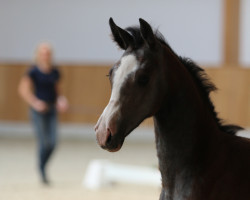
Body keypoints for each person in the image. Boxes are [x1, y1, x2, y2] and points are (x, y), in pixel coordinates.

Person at [18, 42, 68, 184]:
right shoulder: (32, 71)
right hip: (38, 111)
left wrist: (61, 100)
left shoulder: (55, 71)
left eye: (48, 53)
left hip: (52, 110)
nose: (46, 55)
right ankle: (42, 169)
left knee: (53, 142)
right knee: (44, 143)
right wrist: (35, 103)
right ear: (38, 55)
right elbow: (23, 90)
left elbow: (58, 90)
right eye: (43, 53)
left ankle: (42, 165)